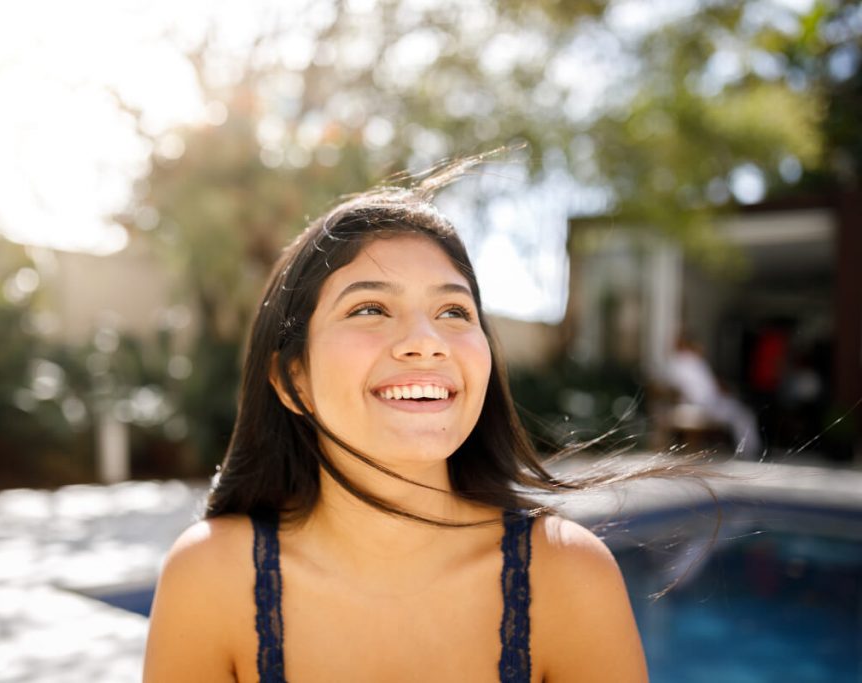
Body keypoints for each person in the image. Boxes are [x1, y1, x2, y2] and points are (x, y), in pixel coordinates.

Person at [144, 162, 650, 682]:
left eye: (454, 312)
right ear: (292, 379)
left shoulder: (568, 577)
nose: (427, 341)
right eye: (370, 308)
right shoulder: (211, 580)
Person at [666, 333, 762, 459]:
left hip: (708, 402)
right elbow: (699, 392)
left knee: (742, 412)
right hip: (706, 405)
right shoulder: (688, 362)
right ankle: (749, 452)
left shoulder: (687, 363)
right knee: (744, 415)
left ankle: (748, 450)